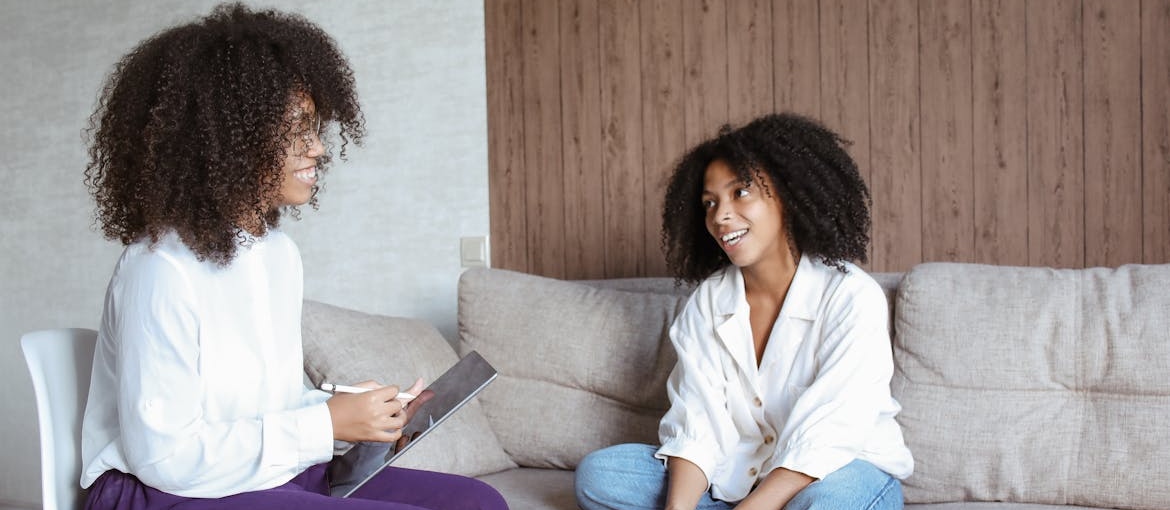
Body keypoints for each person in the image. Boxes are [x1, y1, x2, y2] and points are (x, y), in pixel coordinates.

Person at [79, 4, 507, 509]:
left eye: (317, 129)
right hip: (157, 489)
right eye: (297, 130)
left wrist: (348, 412)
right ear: (226, 140)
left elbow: (264, 409)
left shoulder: (277, 255)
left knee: (478, 503)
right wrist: (325, 424)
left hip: (258, 474)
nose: (319, 150)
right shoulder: (159, 270)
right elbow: (166, 457)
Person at [574, 113, 914, 510]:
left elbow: (829, 434)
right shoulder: (709, 302)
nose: (720, 216)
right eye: (710, 202)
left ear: (788, 193)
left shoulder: (849, 296)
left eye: (741, 193)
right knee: (602, 476)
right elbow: (697, 422)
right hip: (737, 479)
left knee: (835, 503)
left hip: (839, 474)